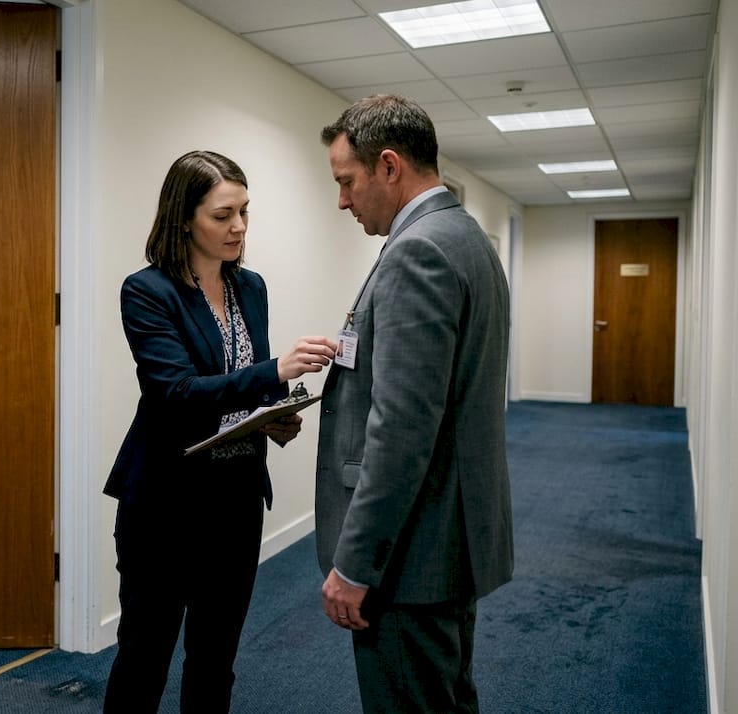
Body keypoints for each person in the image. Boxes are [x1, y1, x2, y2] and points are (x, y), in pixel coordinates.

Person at [103, 150, 337, 713]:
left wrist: (274, 413)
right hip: (165, 502)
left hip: (235, 498)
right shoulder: (147, 291)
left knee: (215, 656)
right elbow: (176, 394)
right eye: (222, 215)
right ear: (184, 218)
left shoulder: (250, 287)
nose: (239, 227)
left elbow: (244, 381)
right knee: (145, 654)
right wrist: (275, 371)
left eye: (245, 212)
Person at [314, 95, 513, 713]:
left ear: (390, 167)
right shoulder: (466, 237)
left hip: (411, 553)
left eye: (348, 181)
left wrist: (356, 565)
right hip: (450, 534)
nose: (342, 200)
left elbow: (401, 431)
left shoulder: (416, 253)